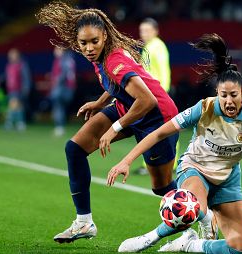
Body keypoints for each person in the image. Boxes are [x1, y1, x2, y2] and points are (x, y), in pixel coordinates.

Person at [106, 33, 242, 253]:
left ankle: (190, 245)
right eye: (224, 95)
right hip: (195, 169)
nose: (229, 100)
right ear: (217, 93)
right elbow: (159, 133)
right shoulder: (205, 107)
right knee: (187, 207)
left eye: (234, 95)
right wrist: (126, 160)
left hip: (227, 179)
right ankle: (151, 237)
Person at [36, 1, 184, 243]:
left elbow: (147, 101)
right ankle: (84, 222)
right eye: (83, 43)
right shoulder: (103, 56)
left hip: (158, 117)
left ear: (104, 35)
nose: (89, 47)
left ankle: (201, 218)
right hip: (128, 107)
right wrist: (99, 101)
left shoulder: (115, 61)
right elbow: (117, 84)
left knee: (162, 187)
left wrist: (115, 128)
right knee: (74, 149)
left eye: (94, 41)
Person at [134, 17, 172, 174]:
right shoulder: (150, 47)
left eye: (147, 30)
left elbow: (164, 71)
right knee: (155, 130)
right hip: (153, 95)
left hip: (158, 96)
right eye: (142, 30)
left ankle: (165, 163)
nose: (144, 34)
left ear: (156, 31)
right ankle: (151, 163)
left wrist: (162, 94)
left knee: (160, 131)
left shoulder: (157, 47)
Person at [49, 46, 77, 136]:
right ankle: (60, 126)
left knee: (58, 106)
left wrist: (56, 82)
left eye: (56, 49)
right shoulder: (70, 59)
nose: (55, 51)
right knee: (60, 107)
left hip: (62, 88)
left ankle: (59, 127)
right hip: (69, 88)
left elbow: (63, 75)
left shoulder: (62, 60)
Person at [3, 48, 32, 131]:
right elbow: (6, 76)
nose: (11, 56)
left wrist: (26, 87)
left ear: (17, 55)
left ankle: (10, 123)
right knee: (18, 106)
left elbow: (26, 77)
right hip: (10, 89)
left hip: (19, 88)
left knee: (13, 104)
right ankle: (20, 123)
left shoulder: (22, 65)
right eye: (10, 54)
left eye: (13, 54)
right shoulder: (9, 65)